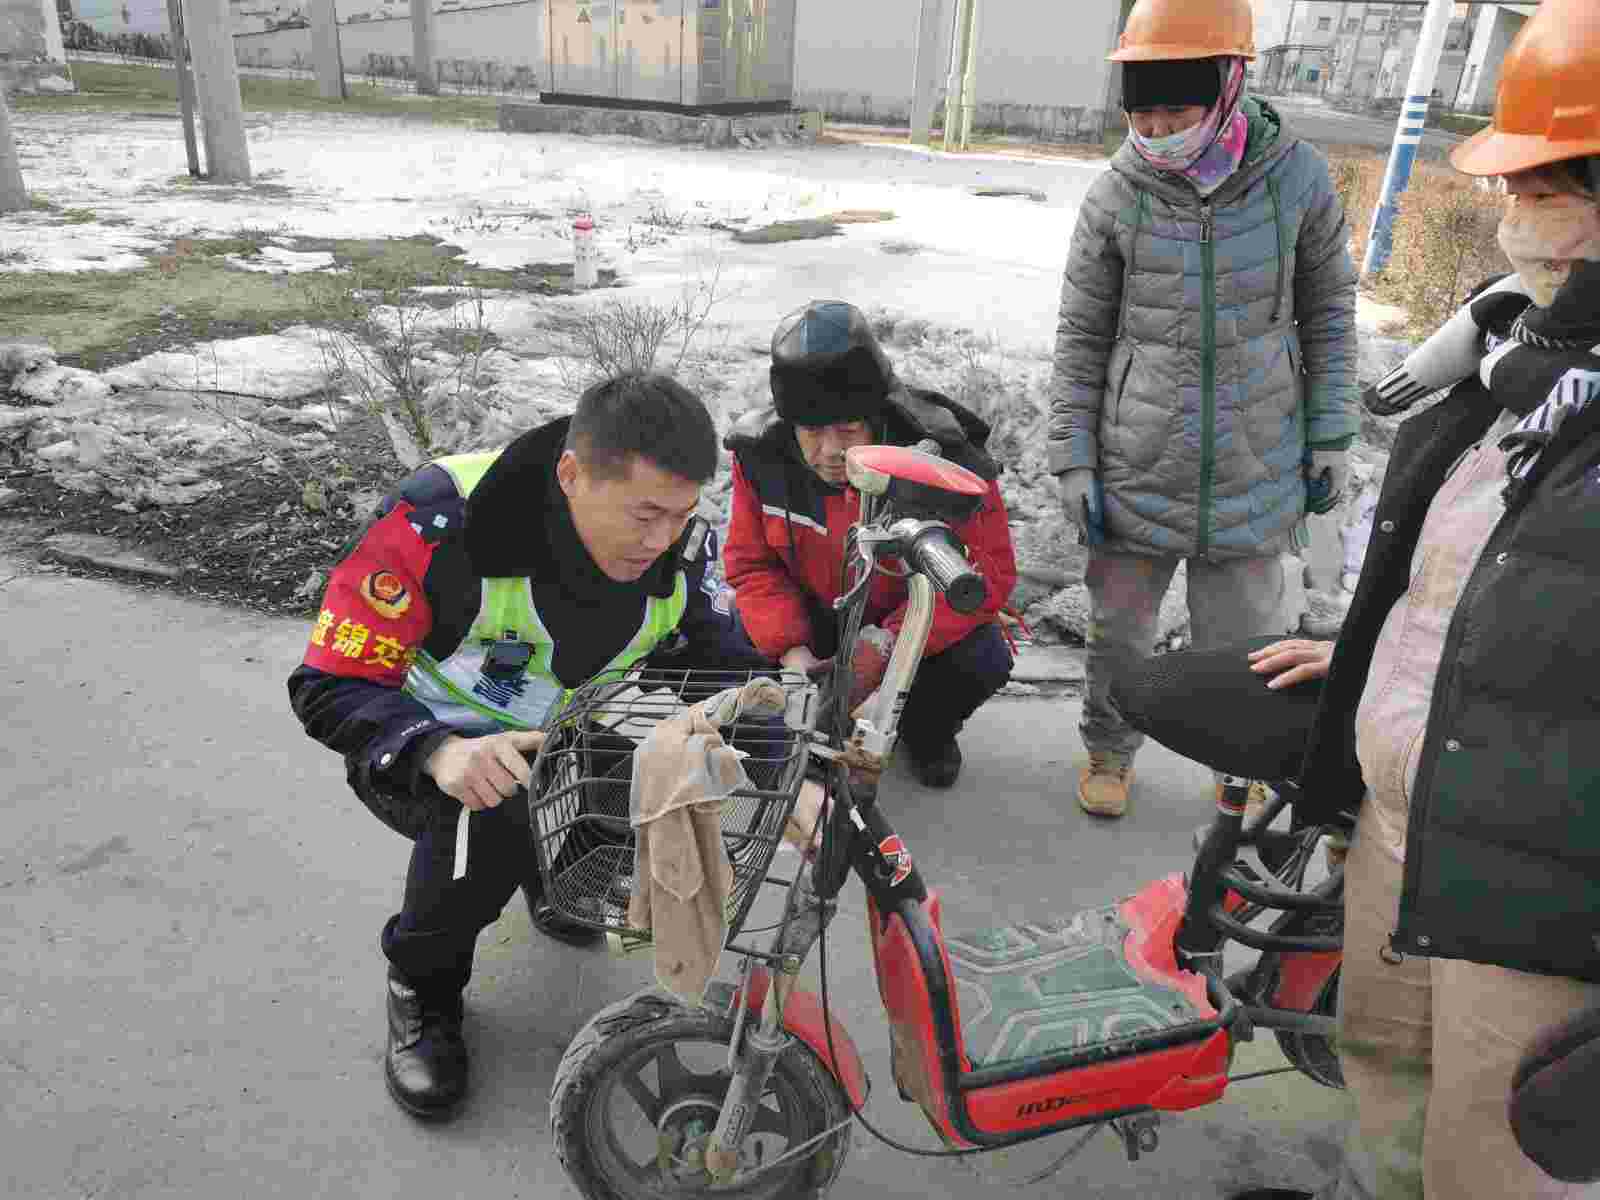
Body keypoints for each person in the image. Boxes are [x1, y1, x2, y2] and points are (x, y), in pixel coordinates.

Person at [1228, 2, 1600, 1194]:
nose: (1518, 216)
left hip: (1536, 895)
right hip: (1401, 819)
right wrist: (1366, 651)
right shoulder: (1517, 360)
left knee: (1487, 1158)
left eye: (1551, 186)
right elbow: (1469, 571)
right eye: (1518, 185)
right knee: (1385, 1074)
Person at [286, 373, 755, 1121]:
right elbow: (326, 685)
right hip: (422, 747)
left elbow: (728, 664)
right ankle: (422, 984)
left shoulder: (676, 549)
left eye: (680, 515)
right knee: (492, 812)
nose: (661, 540)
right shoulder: (438, 519)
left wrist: (800, 749)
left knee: (649, 774)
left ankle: (552, 876)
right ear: (572, 475)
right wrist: (436, 750)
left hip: (560, 738)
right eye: (644, 515)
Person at [1049, 0, 1359, 820]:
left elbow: (1330, 312)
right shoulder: (1116, 193)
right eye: (1141, 114)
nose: (1157, 131)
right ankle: (1109, 751)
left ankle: (1239, 773)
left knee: (1248, 648)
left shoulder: (1298, 179)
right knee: (1119, 635)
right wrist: (1073, 456)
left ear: (1228, 86)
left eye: (1175, 113)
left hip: (1259, 458)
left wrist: (1331, 431)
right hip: (1136, 461)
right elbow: (1081, 334)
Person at [721, 300, 1018, 788]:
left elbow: (990, 572)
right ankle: (799, 729)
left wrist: (885, 649)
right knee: (727, 635)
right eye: (811, 432)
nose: (831, 451)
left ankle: (925, 730)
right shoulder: (759, 457)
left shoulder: (946, 459)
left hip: (908, 623)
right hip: (814, 618)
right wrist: (792, 655)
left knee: (982, 656)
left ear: (876, 416)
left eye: (848, 430)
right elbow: (752, 566)